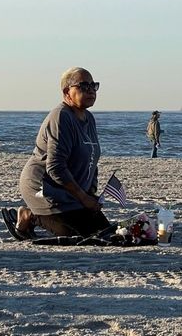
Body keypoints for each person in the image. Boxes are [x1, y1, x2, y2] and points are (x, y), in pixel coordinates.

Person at [11, 67, 110, 239]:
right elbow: (55, 167)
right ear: (67, 92)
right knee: (78, 236)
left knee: (105, 232)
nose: (91, 90)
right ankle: (30, 215)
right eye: (84, 86)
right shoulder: (61, 117)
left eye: (93, 86)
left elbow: (92, 158)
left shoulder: (89, 119)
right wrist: (83, 198)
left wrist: (90, 194)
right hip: (46, 189)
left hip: (73, 194)